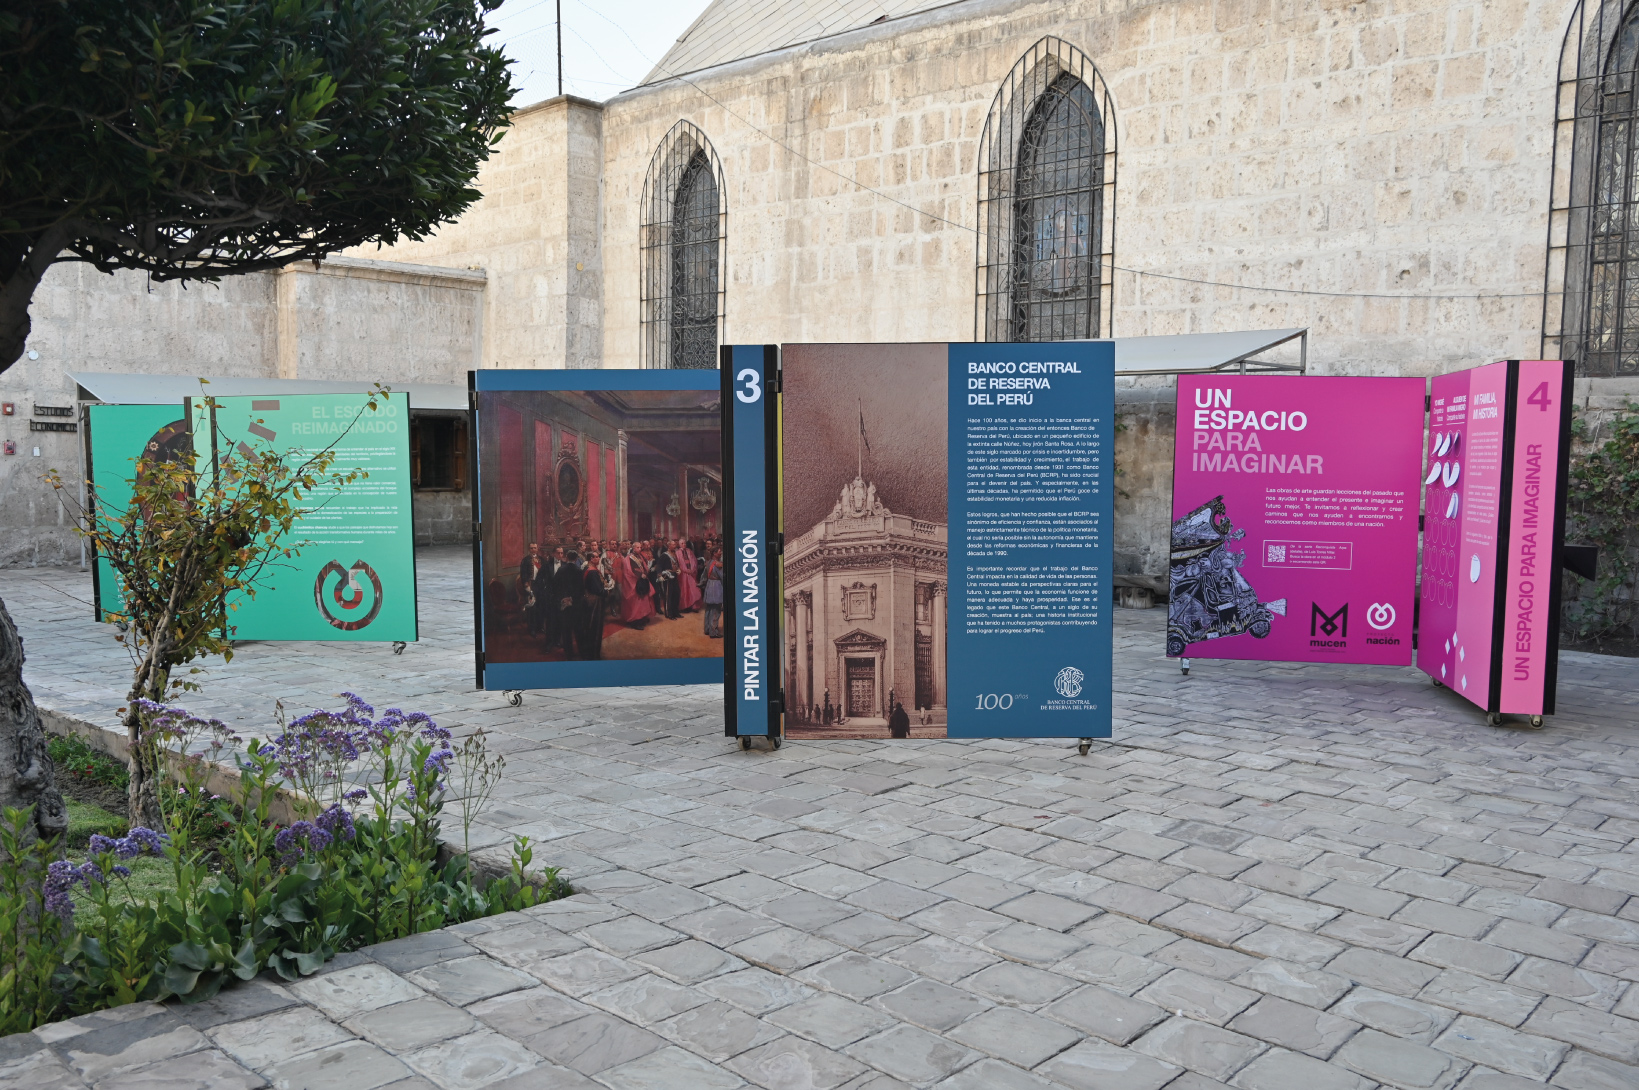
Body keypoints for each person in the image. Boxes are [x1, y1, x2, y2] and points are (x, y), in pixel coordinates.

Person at [544, 545, 579, 656]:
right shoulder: (546, 565)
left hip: (563, 599)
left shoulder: (565, 565)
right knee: (550, 622)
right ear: (553, 553)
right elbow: (541, 581)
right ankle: (549, 643)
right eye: (558, 553)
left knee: (561, 621)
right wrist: (547, 594)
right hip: (551, 598)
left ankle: (557, 641)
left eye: (562, 553)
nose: (560, 555)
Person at [577, 553, 608, 659]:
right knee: (595, 628)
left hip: (587, 601)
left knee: (588, 627)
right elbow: (598, 590)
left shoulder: (586, 568)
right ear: (591, 559)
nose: (598, 558)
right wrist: (607, 591)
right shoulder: (593, 572)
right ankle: (593, 655)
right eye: (596, 557)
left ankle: (587, 653)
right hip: (595, 603)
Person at [518, 543, 544, 635]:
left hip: (540, 585)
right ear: (529, 549)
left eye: (535, 548)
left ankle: (540, 627)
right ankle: (532, 629)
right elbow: (523, 574)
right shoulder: (525, 560)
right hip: (531, 585)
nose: (533, 550)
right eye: (531, 548)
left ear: (537, 549)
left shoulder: (541, 559)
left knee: (540, 606)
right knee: (532, 607)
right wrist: (526, 584)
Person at [702, 547, 724, 637]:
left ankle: (707, 629)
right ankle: (713, 632)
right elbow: (722, 577)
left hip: (709, 586)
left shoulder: (709, 562)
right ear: (714, 553)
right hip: (716, 587)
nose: (721, 553)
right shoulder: (718, 564)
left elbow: (704, 576)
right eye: (719, 551)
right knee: (716, 610)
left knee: (709, 609)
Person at [678, 539, 702, 612]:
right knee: (685, 590)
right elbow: (678, 563)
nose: (684, 544)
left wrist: (692, 569)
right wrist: (685, 570)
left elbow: (694, 561)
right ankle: (686, 607)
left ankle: (694, 606)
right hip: (683, 575)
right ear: (679, 544)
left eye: (685, 543)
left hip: (691, 574)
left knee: (694, 589)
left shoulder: (689, 551)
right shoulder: (677, 552)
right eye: (682, 543)